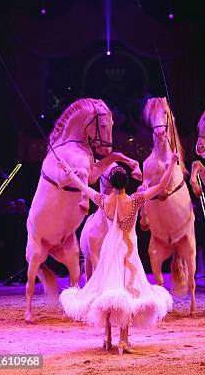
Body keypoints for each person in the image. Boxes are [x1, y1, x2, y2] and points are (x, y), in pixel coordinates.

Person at [58, 152, 178, 355]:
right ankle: (123, 340)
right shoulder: (135, 200)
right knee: (127, 294)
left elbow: (82, 186)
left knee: (108, 292)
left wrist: (68, 170)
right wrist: (172, 164)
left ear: (111, 183)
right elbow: (161, 187)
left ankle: (107, 338)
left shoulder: (103, 200)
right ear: (126, 183)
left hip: (108, 252)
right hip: (128, 252)